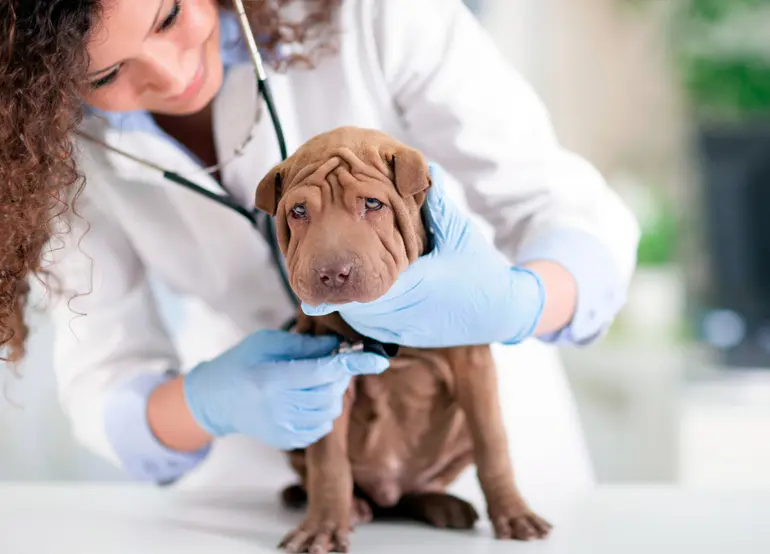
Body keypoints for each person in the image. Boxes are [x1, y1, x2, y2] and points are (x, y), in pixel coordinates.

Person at [1, 0, 639, 504]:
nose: (170, 74)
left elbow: (564, 209)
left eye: (169, 14)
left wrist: (522, 303)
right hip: (279, 468)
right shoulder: (56, 151)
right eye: (105, 73)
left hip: (464, 442)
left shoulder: (370, 14)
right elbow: (105, 380)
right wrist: (209, 403)